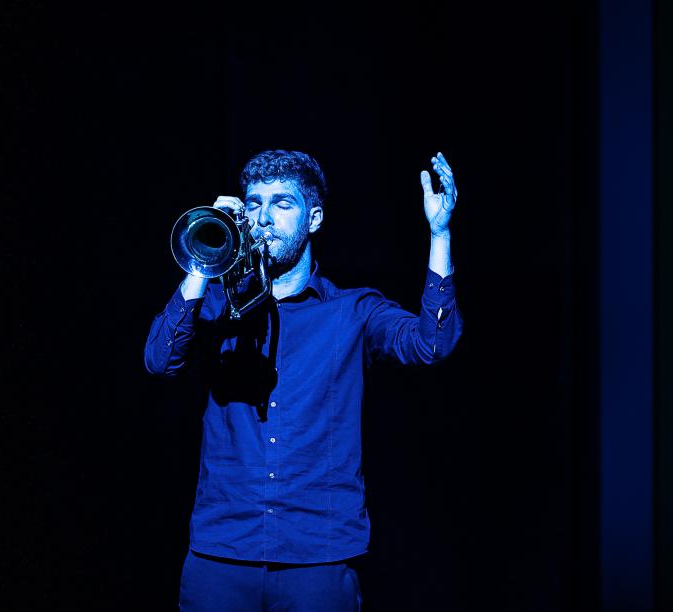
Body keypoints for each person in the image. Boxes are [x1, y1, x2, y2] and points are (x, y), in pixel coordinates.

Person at [144, 149, 464, 611]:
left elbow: (432, 344)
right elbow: (159, 361)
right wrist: (205, 254)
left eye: (282, 204)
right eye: (254, 204)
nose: (263, 218)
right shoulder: (213, 306)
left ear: (313, 218)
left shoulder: (352, 310)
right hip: (221, 553)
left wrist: (439, 234)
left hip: (318, 557)